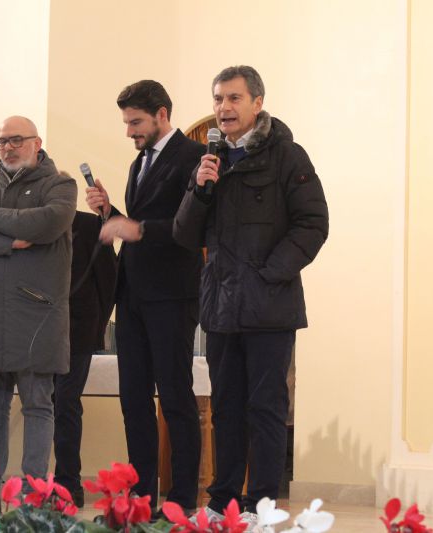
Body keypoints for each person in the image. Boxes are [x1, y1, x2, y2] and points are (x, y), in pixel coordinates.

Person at [173, 66, 329, 518]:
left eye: (234, 98)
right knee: (225, 408)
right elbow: (185, 235)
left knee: (265, 408)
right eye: (218, 99)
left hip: (269, 306)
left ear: (258, 103)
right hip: (221, 307)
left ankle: (261, 504)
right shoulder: (210, 161)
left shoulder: (288, 156)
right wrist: (200, 190)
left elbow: (313, 224)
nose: (223, 107)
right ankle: (222, 499)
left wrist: (269, 273)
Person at [86, 80, 205, 514]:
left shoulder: (193, 158)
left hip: (172, 295)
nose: (129, 131)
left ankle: (182, 500)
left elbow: (191, 227)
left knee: (175, 398)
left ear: (162, 114)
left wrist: (134, 227)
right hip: (133, 295)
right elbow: (138, 226)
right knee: (133, 400)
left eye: (135, 122)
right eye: (126, 122)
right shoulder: (140, 161)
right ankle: (140, 498)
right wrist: (110, 213)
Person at [0, 116, 77, 510]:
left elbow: (48, 222)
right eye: (2, 141)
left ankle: (33, 498)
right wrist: (10, 242)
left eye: (16, 140)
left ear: (37, 143)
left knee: (38, 406)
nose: (7, 147)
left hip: (36, 317)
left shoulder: (60, 185)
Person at [53, 209, 117, 508]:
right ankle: (37, 484)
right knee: (43, 405)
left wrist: (97, 330)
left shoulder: (90, 225)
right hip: (39, 330)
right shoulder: (33, 223)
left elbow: (108, 281)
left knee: (66, 403)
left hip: (79, 329)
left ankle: (68, 484)